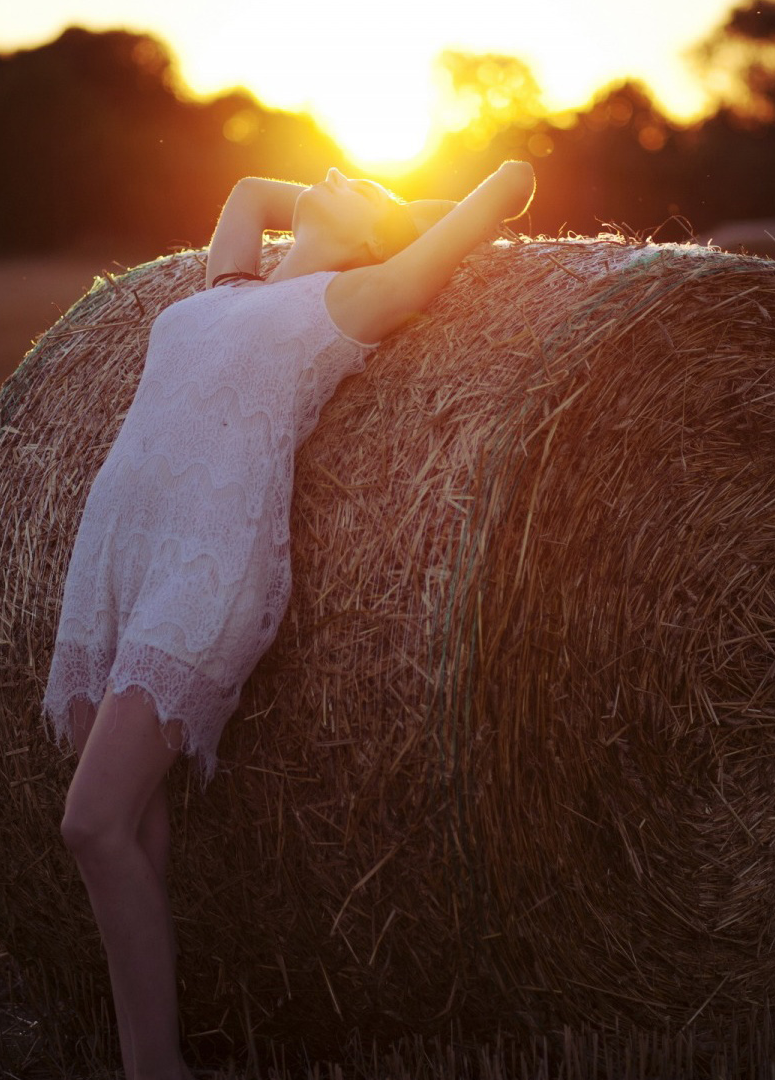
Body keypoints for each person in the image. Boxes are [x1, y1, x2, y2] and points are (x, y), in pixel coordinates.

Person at [42, 160, 536, 1080]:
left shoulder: (345, 302)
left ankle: (154, 1070)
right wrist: (351, 199)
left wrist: (472, 193)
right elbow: (243, 193)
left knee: (93, 823)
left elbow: (474, 224)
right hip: (116, 558)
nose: (338, 170)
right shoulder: (227, 288)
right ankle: (153, 1057)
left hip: (208, 567)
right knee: (133, 824)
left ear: (376, 242)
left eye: (358, 187)